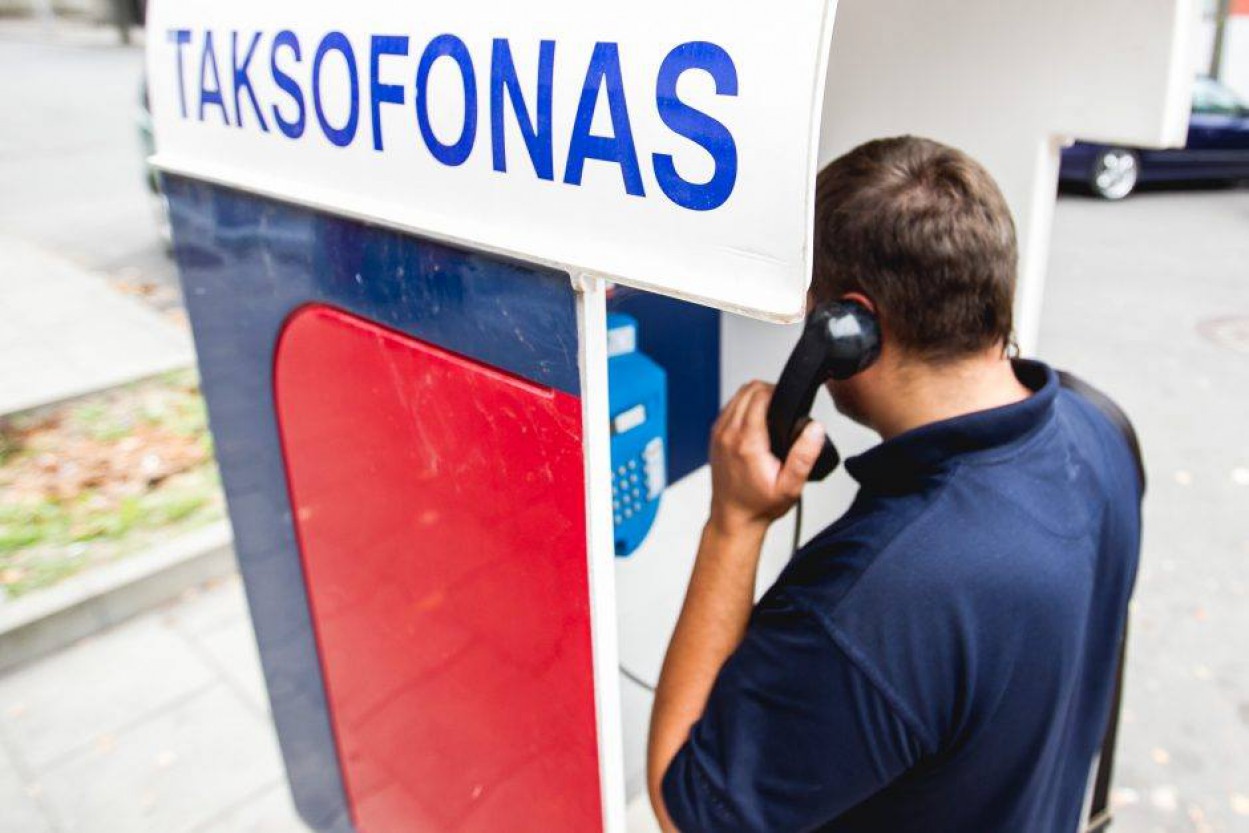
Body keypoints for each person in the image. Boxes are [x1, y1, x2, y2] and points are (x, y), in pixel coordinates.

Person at [647, 136, 1143, 832]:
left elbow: (688, 809)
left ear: (850, 328)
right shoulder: (1099, 427)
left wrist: (734, 522)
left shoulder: (876, 595)